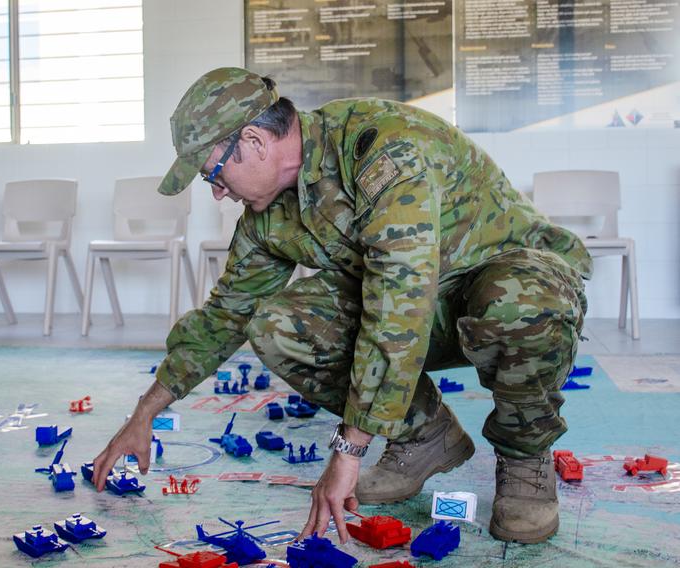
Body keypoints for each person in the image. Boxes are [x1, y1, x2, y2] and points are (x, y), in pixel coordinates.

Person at [92, 67, 591, 545]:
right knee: (276, 324)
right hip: (423, 307)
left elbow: (400, 301)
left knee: (521, 306)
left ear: (255, 142)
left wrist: (348, 450)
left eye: (213, 175)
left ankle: (526, 459)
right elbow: (228, 315)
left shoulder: (381, 148)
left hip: (500, 277)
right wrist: (145, 412)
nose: (219, 192)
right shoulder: (268, 216)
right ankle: (424, 437)